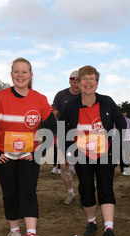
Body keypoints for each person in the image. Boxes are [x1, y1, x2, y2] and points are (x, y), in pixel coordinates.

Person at [0, 57, 57, 236]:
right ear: (11, 74)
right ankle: (15, 232)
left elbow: (54, 127)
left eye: (24, 72)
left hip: (28, 157)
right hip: (5, 157)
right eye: (16, 71)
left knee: (28, 193)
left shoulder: (39, 99)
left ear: (31, 75)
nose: (20, 75)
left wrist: (39, 152)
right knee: (10, 194)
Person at [59, 65, 127, 236]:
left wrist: (114, 145)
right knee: (86, 189)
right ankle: (92, 223)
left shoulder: (107, 102)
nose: (88, 82)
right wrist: (68, 150)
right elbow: (62, 127)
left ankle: (109, 229)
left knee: (106, 189)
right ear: (78, 83)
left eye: (92, 78)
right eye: (84, 79)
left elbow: (121, 124)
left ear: (97, 82)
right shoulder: (71, 106)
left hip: (105, 154)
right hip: (82, 155)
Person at [51, 70, 81, 204]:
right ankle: (70, 193)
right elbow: (54, 114)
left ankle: (85, 192)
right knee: (63, 165)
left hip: (82, 135)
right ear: (69, 81)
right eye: (73, 82)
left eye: (78, 82)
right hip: (64, 133)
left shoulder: (86, 94)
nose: (76, 85)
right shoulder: (61, 95)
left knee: (84, 165)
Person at [120, 107, 130, 174]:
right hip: (120, 141)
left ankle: (126, 167)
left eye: (124, 112)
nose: (123, 114)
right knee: (121, 155)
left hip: (128, 140)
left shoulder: (128, 120)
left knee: (128, 155)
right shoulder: (116, 121)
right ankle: (122, 169)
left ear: (126, 113)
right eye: (122, 112)